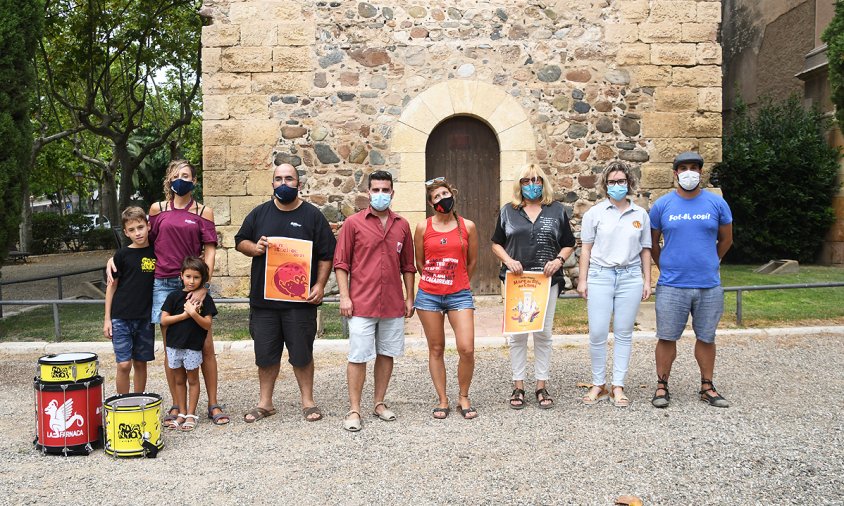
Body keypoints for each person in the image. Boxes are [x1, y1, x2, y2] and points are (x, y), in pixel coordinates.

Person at [107, 160, 229, 426]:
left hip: (192, 285)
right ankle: (177, 404)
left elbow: (209, 250)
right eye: (176, 175)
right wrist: (113, 258)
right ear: (169, 180)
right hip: (162, 284)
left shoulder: (203, 211)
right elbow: (143, 241)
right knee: (171, 348)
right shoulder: (156, 209)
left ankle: (213, 403)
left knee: (205, 346)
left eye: (186, 175)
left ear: (194, 181)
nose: (181, 179)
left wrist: (204, 287)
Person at [235, 163, 336, 423]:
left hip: (299, 303)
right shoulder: (259, 214)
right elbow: (240, 241)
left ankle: (308, 402)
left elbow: (326, 255)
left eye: (289, 179)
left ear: (298, 183)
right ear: (272, 183)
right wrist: (254, 248)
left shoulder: (312, 216)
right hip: (264, 302)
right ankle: (265, 403)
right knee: (265, 355)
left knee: (302, 353)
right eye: (278, 178)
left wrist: (320, 285)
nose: (283, 183)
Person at [649, 151, 733, 408]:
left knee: (706, 337)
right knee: (666, 337)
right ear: (675, 173)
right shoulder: (662, 205)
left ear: (700, 172)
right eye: (683, 168)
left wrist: (711, 261)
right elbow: (652, 243)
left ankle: (707, 386)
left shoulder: (717, 204)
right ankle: (662, 385)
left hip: (708, 284)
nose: (688, 172)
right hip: (672, 284)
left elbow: (726, 239)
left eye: (693, 168)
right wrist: (665, 266)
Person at [333, 170, 416, 432]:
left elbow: (408, 266)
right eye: (376, 190)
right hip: (361, 302)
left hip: (392, 302)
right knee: (358, 355)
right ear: (368, 192)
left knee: (386, 353)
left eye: (386, 190)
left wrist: (409, 297)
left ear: (392, 192)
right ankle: (354, 409)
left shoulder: (402, 225)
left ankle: (379, 402)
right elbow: (341, 263)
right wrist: (344, 297)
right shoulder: (353, 224)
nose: (381, 194)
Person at [491, 164, 575, 410]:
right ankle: (518, 385)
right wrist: (507, 260)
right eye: (526, 181)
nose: (531, 185)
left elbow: (569, 243)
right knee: (517, 334)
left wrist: (558, 260)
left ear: (543, 182)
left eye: (536, 180)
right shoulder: (508, 211)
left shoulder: (556, 210)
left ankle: (541, 385)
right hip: (516, 281)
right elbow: (496, 243)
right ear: (519, 185)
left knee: (543, 333)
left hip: (546, 281)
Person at [577, 162, 652, 407]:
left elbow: (645, 250)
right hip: (601, 275)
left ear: (629, 183)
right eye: (612, 182)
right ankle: (599, 384)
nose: (617, 186)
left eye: (621, 181)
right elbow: (586, 249)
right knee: (598, 332)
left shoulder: (640, 215)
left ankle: (618, 385)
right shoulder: (595, 214)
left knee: (623, 333)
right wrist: (582, 279)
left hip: (630, 276)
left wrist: (647, 280)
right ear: (605, 185)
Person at [414, 177, 479, 420]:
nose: (443, 199)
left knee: (467, 348)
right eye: (437, 197)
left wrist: (456, 280)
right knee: (437, 348)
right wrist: (436, 281)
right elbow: (420, 262)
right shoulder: (423, 228)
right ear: (432, 204)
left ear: (452, 194)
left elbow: (471, 262)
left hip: (459, 294)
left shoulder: (467, 226)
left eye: (445, 194)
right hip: (429, 295)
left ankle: (463, 396)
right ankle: (442, 399)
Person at [103, 207, 157, 394]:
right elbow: (112, 287)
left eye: (140, 227)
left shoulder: (157, 252)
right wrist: (107, 319)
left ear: (148, 226)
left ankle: (138, 400)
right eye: (132, 230)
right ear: (125, 232)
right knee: (124, 364)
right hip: (121, 317)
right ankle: (123, 403)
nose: (138, 233)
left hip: (145, 317)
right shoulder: (122, 255)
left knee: (140, 363)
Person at [160, 257, 217, 431]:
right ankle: (181, 412)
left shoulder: (205, 299)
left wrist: (194, 314)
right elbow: (164, 320)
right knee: (178, 380)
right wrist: (185, 315)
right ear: (181, 276)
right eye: (188, 276)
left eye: (196, 277)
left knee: (192, 379)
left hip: (192, 347)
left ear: (203, 279)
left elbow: (207, 324)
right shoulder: (173, 296)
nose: (191, 281)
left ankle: (192, 413)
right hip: (174, 346)